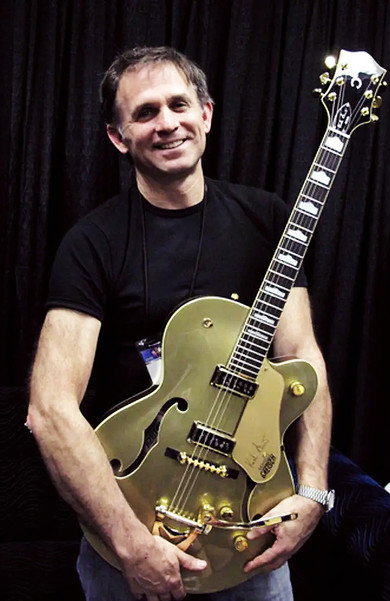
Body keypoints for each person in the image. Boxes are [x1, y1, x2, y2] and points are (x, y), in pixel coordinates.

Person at [27, 46, 332, 601]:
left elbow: (301, 362)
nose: (167, 123)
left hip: (250, 526)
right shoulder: (92, 243)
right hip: (131, 529)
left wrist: (313, 493)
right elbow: (49, 409)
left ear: (206, 114)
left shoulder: (267, 219)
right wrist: (130, 545)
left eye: (179, 104)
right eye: (145, 112)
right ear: (119, 137)